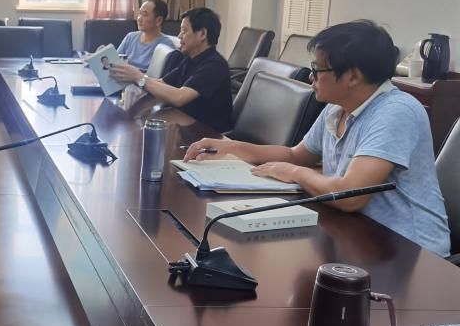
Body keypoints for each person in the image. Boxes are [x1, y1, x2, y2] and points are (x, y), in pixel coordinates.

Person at [184, 20, 450, 256]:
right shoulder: (337, 107)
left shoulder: (396, 111)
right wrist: (229, 147)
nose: (311, 76)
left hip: (410, 252)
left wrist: (295, 173)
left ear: (353, 76)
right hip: (356, 235)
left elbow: (350, 195)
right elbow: (295, 155)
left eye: (318, 69)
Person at [110, 6, 232, 131]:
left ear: (202, 34)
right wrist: (131, 79)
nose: (179, 36)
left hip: (209, 134)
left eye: (184, 31)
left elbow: (179, 97)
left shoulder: (214, 65)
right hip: (184, 125)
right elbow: (161, 84)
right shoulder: (189, 59)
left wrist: (138, 78)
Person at [115, 0, 172, 70]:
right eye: (139, 14)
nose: (139, 19)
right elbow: (114, 61)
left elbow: (162, 75)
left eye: (145, 15)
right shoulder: (130, 37)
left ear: (159, 20)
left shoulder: (166, 46)